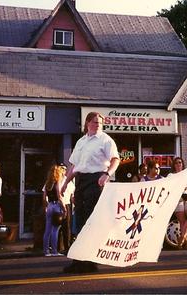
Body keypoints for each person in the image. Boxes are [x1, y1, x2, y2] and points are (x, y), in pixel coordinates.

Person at [61, 111, 119, 274]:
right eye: (94, 122)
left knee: (90, 221)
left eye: (100, 123)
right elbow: (74, 166)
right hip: (81, 181)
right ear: (87, 123)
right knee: (79, 221)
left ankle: (90, 262)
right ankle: (78, 260)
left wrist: (107, 174)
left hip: (96, 180)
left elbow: (116, 159)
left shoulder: (105, 140)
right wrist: (65, 183)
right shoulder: (81, 141)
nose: (97, 125)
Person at [171, 156, 187, 250]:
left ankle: (182, 237)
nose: (178, 164)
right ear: (174, 165)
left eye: (180, 162)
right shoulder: (171, 176)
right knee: (182, 220)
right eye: (176, 163)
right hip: (178, 198)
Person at [43, 164, 66, 257]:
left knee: (47, 230)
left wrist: (46, 206)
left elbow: (44, 197)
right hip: (56, 205)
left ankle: (46, 251)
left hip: (49, 205)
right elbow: (59, 196)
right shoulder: (57, 182)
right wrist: (64, 208)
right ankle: (55, 251)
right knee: (55, 230)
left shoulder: (47, 183)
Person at [58, 163, 75, 253]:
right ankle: (57, 246)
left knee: (67, 226)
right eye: (61, 168)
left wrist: (74, 204)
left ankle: (66, 246)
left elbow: (72, 194)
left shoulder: (68, 181)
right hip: (57, 204)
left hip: (67, 204)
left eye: (64, 169)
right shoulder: (55, 179)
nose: (63, 170)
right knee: (56, 227)